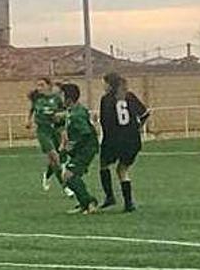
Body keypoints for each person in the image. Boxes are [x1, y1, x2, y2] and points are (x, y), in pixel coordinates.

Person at [98, 73, 150, 212]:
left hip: (114, 139)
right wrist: (138, 128)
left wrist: (105, 141)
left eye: (104, 83)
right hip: (132, 139)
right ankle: (129, 203)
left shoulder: (106, 99)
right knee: (123, 169)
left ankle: (109, 197)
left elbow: (105, 122)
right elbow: (145, 114)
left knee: (104, 165)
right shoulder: (129, 96)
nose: (103, 86)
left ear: (110, 84)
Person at [27, 78, 73, 199]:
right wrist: (29, 120)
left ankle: (47, 176)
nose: (39, 87)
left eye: (42, 85)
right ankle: (66, 187)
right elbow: (32, 109)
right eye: (38, 85)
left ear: (48, 86)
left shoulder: (56, 99)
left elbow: (65, 112)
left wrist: (60, 116)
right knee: (54, 157)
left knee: (56, 160)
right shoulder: (37, 98)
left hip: (55, 130)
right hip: (43, 131)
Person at [59, 83, 99, 215]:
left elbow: (86, 133)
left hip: (86, 149)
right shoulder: (73, 111)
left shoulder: (77, 114)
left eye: (62, 95)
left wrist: (73, 144)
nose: (59, 98)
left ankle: (89, 202)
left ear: (69, 99)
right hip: (82, 149)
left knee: (68, 176)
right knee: (68, 177)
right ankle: (84, 204)